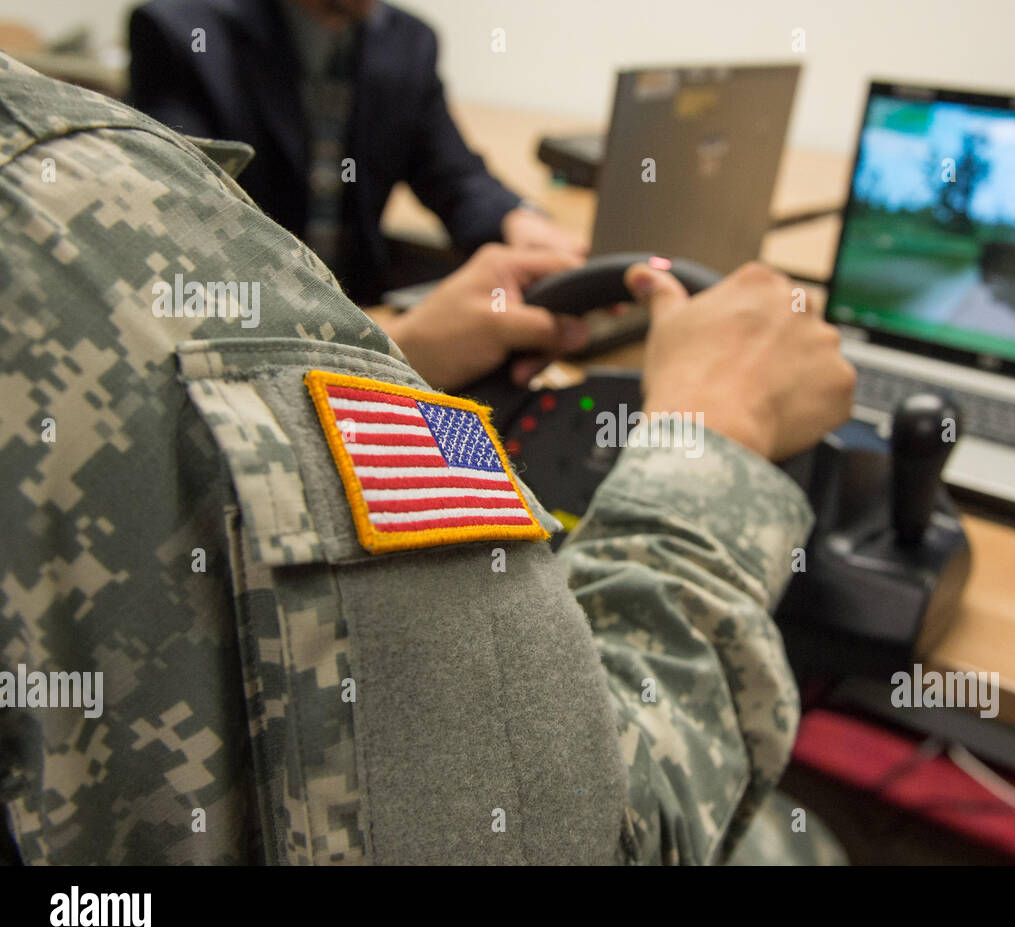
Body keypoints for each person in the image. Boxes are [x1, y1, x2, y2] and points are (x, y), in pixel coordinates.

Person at [0, 53, 854, 865]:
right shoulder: (67, 181)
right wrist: (716, 440)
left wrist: (390, 350)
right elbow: (568, 833)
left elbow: (457, 176)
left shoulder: (396, 45)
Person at [126, 0, 585, 304]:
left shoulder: (406, 41)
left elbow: (452, 174)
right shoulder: (180, 33)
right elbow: (186, 221)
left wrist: (519, 220)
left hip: (359, 306)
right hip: (243, 312)